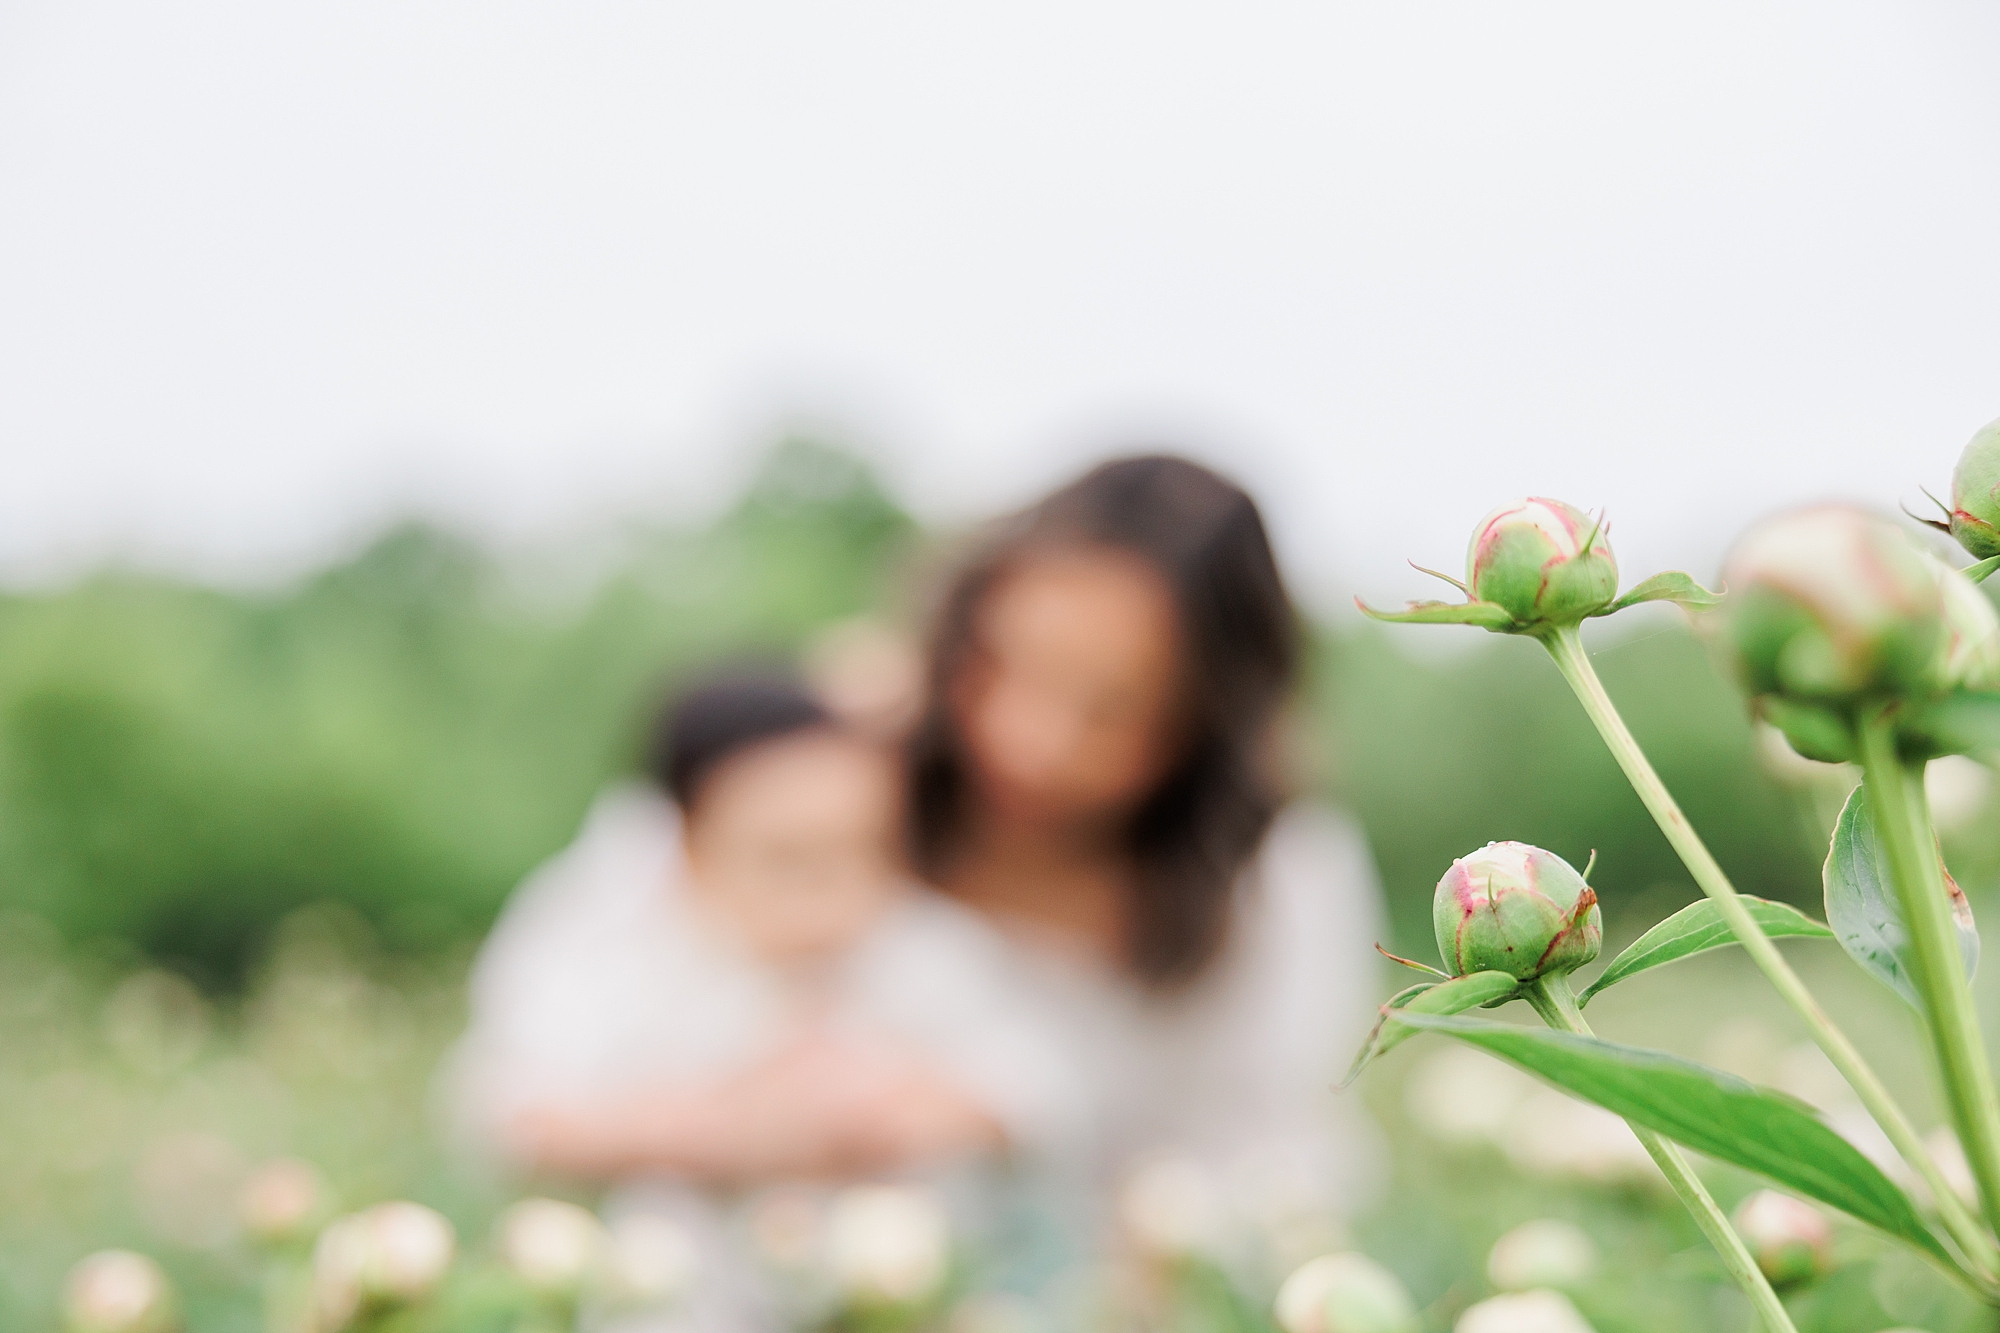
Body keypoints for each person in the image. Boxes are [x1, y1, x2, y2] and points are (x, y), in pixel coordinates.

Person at [906, 454, 1387, 1265]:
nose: (1031, 740)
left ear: (1208, 728)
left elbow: (1288, 1164)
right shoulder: (822, 787)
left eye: (1110, 711)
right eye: (1004, 663)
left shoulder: (1281, 881)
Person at [449, 673, 1080, 1188]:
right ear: (690, 848)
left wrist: (908, 1110)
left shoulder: (920, 945)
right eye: (789, 860)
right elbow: (501, 1111)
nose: (838, 896)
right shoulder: (612, 944)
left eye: (867, 850)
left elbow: (1048, 1088)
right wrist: (703, 1128)